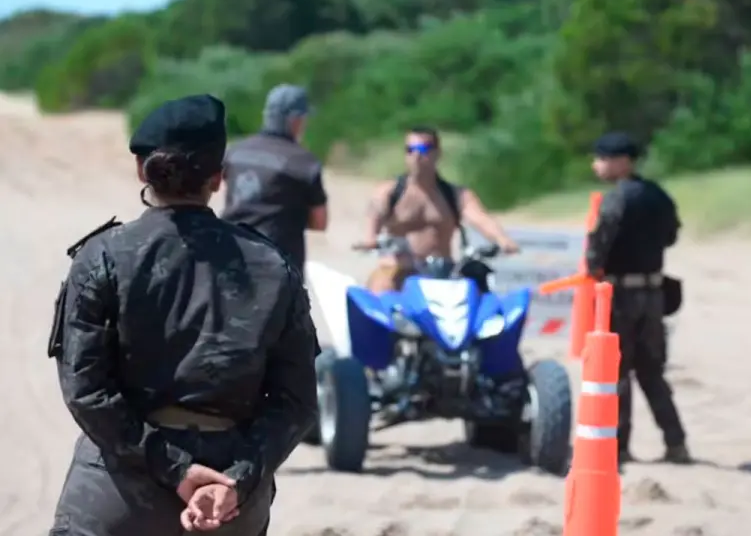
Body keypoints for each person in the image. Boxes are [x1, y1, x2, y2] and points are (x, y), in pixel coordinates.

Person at [47, 94, 320, 536]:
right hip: (227, 499)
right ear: (219, 177)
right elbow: (297, 403)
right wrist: (238, 477)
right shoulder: (274, 265)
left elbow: (87, 391)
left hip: (119, 492)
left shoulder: (103, 257)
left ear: (143, 170)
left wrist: (175, 469)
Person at [585, 131, 691, 465]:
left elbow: (597, 249)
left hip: (621, 296)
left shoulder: (617, 200)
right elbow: (671, 236)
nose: (597, 165)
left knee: (617, 372)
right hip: (654, 294)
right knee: (651, 371)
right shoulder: (658, 195)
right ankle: (676, 443)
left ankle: (618, 447)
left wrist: (594, 266)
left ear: (621, 162)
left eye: (602, 158)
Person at [353, 126, 519, 292]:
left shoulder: (455, 195)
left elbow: (481, 218)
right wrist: (370, 239)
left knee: (477, 294)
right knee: (380, 287)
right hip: (398, 271)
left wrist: (502, 239)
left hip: (442, 272)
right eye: (410, 150)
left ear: (437, 153)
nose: (416, 156)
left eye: (423, 149)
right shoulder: (389, 192)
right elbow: (375, 215)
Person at [221, 84, 328, 281]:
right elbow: (319, 222)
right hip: (279, 265)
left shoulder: (234, 151)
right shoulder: (304, 162)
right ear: (295, 120)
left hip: (230, 252)